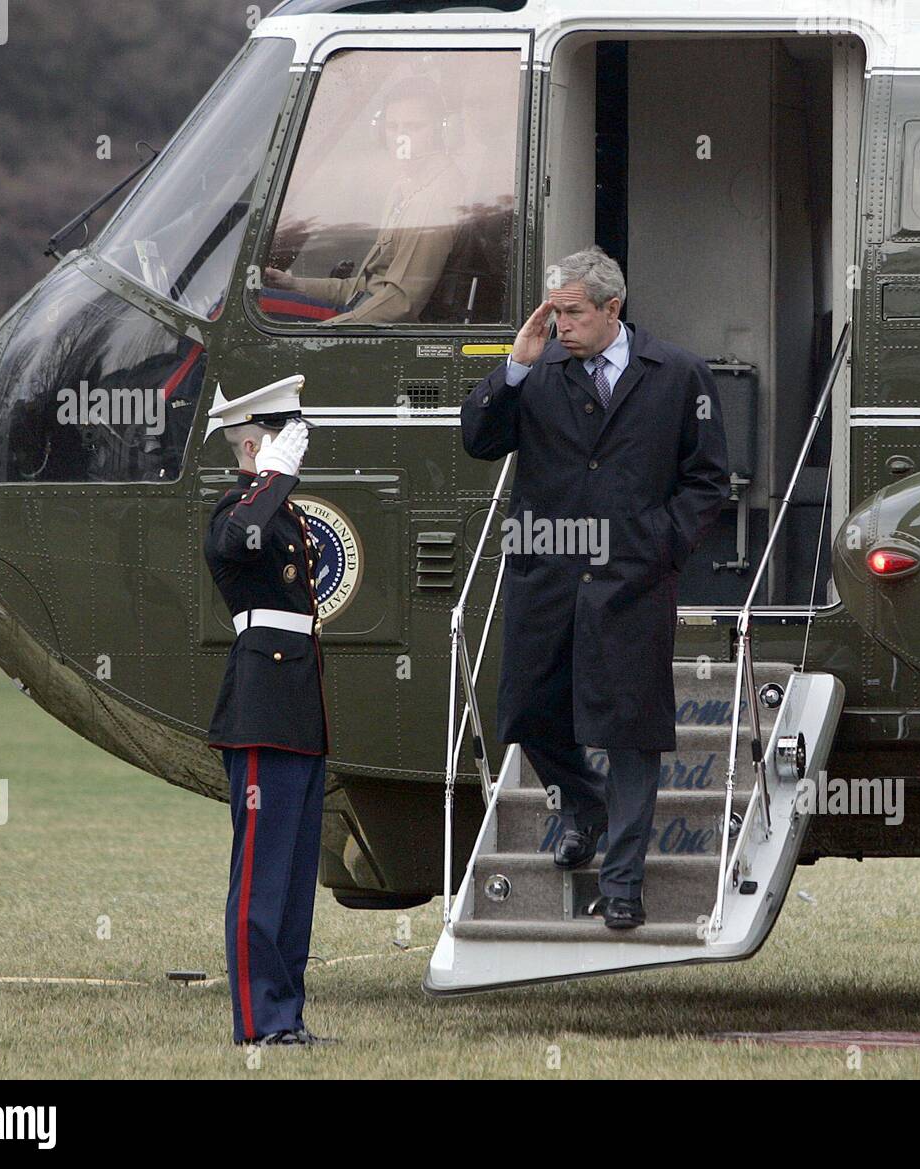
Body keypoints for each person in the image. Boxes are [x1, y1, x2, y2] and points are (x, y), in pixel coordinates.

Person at [461, 247, 730, 929]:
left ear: (615, 308)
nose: (560, 325)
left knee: (631, 731)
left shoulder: (677, 374)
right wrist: (516, 365)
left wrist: (658, 544)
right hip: (545, 576)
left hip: (633, 581)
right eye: (553, 311)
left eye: (573, 312)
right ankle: (584, 803)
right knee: (527, 711)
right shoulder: (539, 370)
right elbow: (477, 438)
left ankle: (621, 883)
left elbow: (708, 482)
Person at [203, 375, 334, 1046]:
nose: (298, 452)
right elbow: (239, 539)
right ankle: (258, 1020)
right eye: (286, 438)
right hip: (261, 705)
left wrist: (278, 480)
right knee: (258, 876)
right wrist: (272, 474)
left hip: (298, 710)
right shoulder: (236, 512)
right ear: (255, 444)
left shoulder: (286, 515)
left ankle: (287, 1014)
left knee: (290, 880)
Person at [265, 77, 466, 324]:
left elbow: (400, 303)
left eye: (414, 127)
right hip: (364, 312)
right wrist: (294, 284)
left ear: (442, 131)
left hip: (379, 333)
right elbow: (369, 286)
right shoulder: (403, 189)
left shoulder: (434, 198)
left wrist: (323, 332)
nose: (402, 138)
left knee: (257, 305)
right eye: (393, 127)